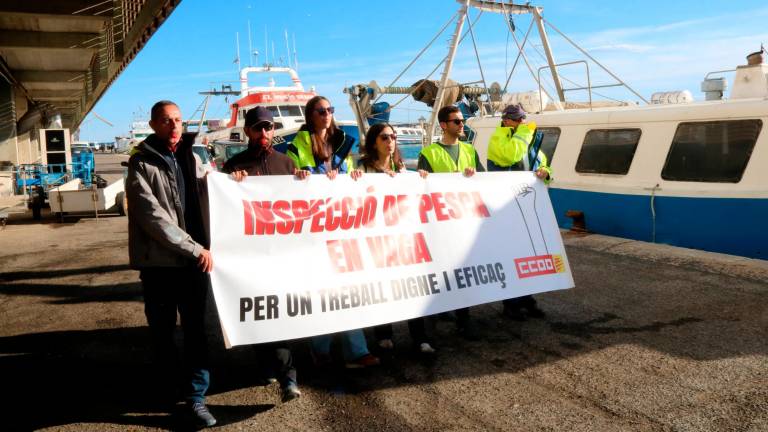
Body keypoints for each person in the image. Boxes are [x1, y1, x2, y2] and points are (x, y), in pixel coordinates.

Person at [126, 100, 216, 428]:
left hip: (194, 265)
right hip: (161, 266)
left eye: (178, 119)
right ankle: (166, 389)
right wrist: (195, 249)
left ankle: (196, 398)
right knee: (162, 332)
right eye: (166, 121)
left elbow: (215, 188)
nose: (174, 125)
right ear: (153, 125)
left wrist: (238, 181)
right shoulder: (140, 165)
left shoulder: (191, 157)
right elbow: (154, 219)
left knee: (196, 333)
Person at [287, 95, 379, 368]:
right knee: (320, 291)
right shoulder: (298, 145)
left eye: (330, 109)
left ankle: (357, 350)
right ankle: (321, 349)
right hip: (314, 229)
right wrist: (305, 176)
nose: (326, 114)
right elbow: (291, 180)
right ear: (310, 115)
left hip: (340, 224)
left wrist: (354, 178)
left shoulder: (342, 142)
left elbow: (349, 177)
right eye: (320, 110)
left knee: (347, 289)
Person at [221, 106, 307, 402]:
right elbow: (222, 211)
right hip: (251, 258)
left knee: (279, 316)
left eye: (268, 127)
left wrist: (305, 180)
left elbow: (303, 204)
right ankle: (267, 364)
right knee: (260, 316)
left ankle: (289, 378)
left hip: (282, 257)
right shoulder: (233, 167)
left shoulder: (286, 163)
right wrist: (232, 185)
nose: (264, 133)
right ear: (247, 131)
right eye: (258, 128)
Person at [359, 123, 435, 354]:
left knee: (411, 287)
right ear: (374, 142)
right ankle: (383, 334)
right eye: (384, 137)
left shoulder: (401, 168)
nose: (390, 141)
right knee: (382, 287)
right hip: (375, 238)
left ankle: (420, 337)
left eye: (393, 137)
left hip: (401, 238)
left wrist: (419, 178)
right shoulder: (362, 169)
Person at [417, 105, 485, 341]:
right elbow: (420, 189)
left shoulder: (469, 150)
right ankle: (435, 318)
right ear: (444, 125)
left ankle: (464, 319)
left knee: (461, 270)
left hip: (463, 221)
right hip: (439, 224)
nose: (461, 124)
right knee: (439, 271)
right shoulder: (429, 153)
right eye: (457, 121)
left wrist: (474, 174)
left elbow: (485, 180)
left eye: (462, 121)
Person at [487, 104, 551, 321]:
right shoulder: (498, 138)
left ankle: (527, 299)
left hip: (526, 205)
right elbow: (509, 157)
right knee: (511, 255)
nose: (522, 122)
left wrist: (545, 172)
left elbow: (543, 163)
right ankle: (511, 304)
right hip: (506, 207)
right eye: (517, 119)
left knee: (528, 255)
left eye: (523, 118)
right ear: (506, 121)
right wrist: (525, 132)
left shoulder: (529, 139)